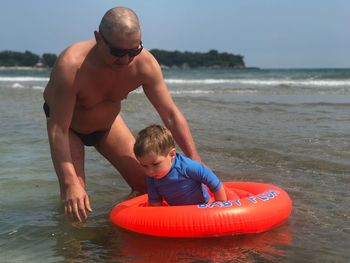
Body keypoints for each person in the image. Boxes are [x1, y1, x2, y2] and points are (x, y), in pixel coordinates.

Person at [43, 7, 201, 222]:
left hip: (108, 125)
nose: (126, 60)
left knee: (148, 184)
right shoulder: (72, 66)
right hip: (69, 128)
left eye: (133, 51)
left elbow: (171, 115)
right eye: (117, 52)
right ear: (98, 38)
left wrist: (196, 162)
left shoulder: (144, 64)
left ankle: (114, 226)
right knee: (76, 201)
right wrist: (70, 182)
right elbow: (58, 129)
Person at [134, 125, 227, 206]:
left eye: (155, 164)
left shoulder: (187, 166)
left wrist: (220, 202)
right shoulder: (151, 177)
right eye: (144, 166)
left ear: (172, 154)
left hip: (202, 207)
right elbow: (155, 203)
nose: (150, 171)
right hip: (178, 213)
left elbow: (212, 180)